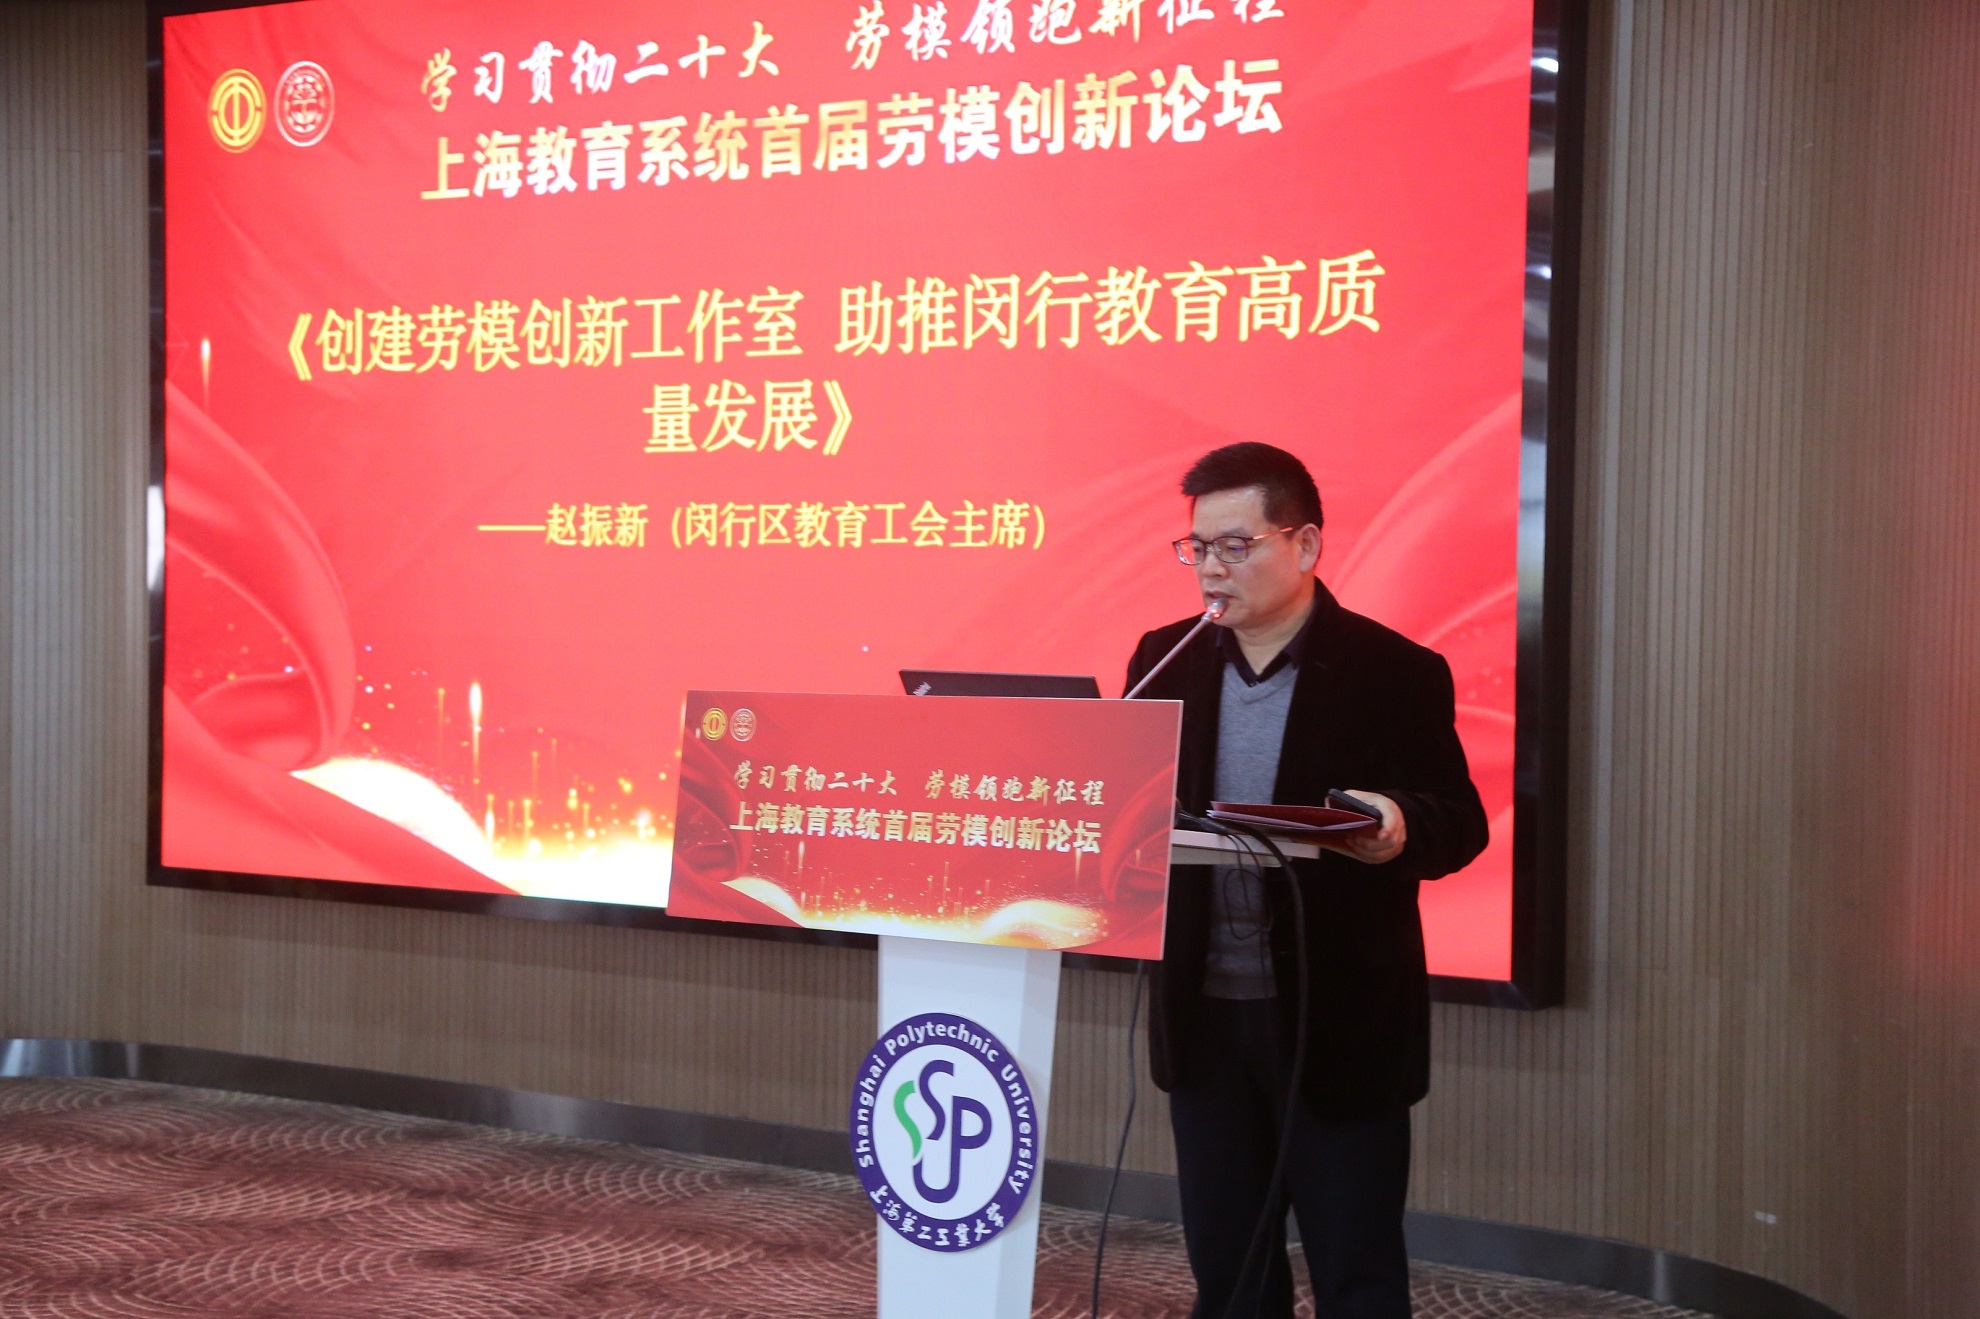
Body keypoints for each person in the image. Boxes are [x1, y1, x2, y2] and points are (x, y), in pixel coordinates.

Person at [1124, 442, 1488, 1319]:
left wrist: (1396, 820)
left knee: (1357, 1276)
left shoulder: (1392, 670)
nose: (1211, 568)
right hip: (1205, 1020)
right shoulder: (1165, 658)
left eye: (1236, 545)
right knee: (1230, 1275)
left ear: (1307, 544)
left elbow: (1459, 820)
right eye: (1197, 547)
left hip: (1336, 1024)